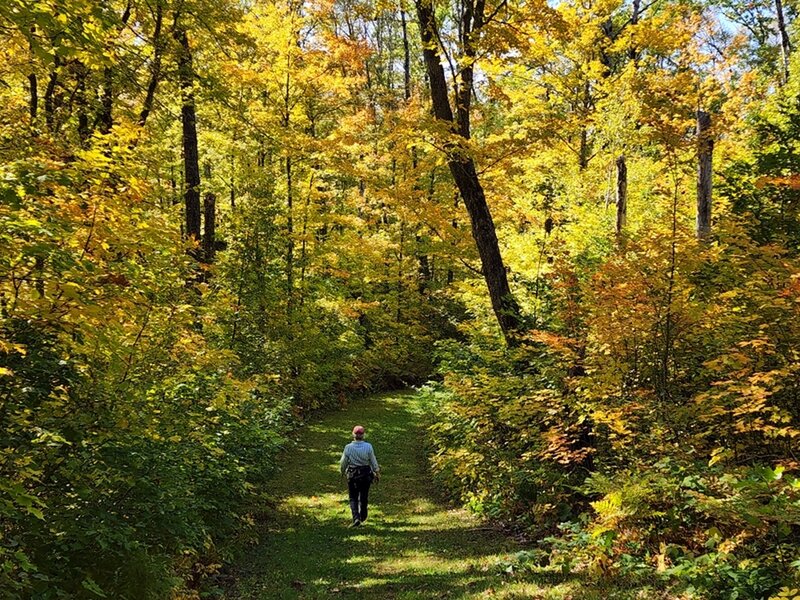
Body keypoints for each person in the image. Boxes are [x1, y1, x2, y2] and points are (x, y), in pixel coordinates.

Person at [339, 425, 380, 527]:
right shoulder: (368, 446)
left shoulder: (348, 447)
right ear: (363, 435)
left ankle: (356, 517)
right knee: (364, 495)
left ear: (353, 434)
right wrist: (377, 471)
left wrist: (342, 471)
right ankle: (363, 515)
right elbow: (372, 460)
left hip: (353, 474)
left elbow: (344, 462)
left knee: (353, 497)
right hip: (365, 473)